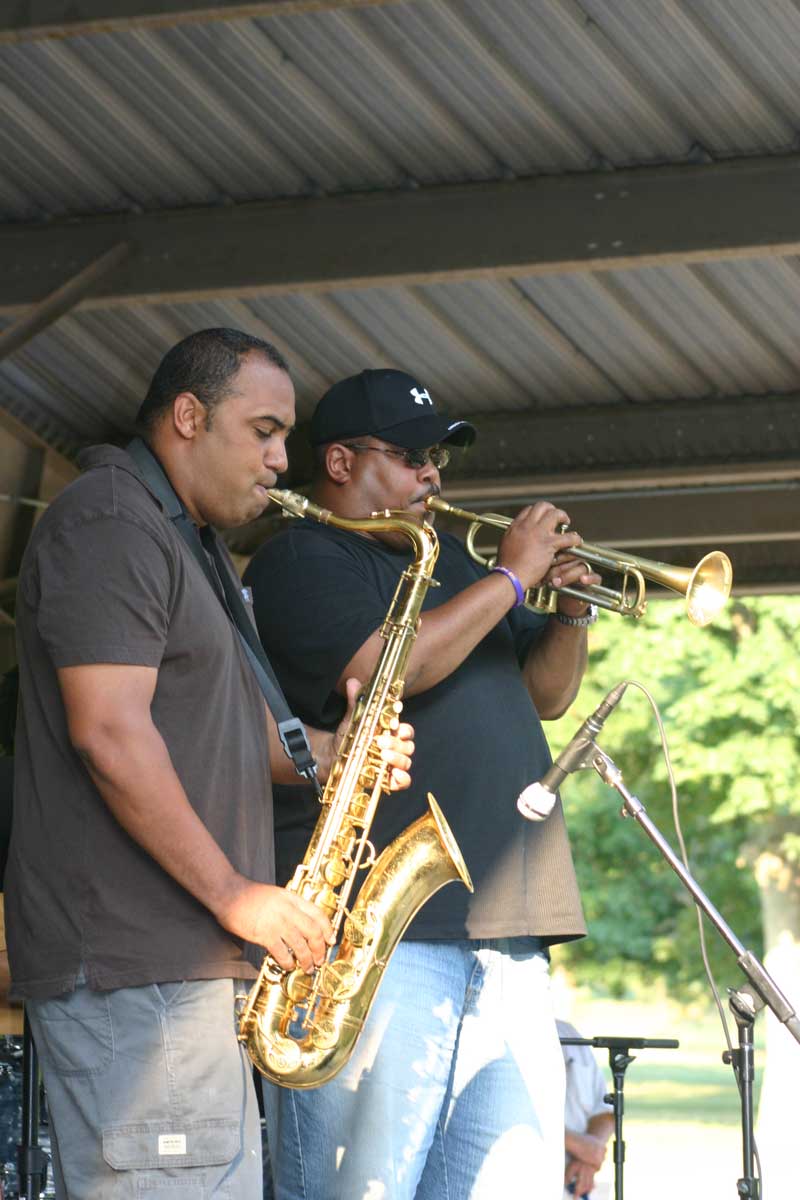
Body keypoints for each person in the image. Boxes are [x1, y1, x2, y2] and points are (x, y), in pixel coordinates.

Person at [4, 330, 413, 1200]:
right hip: (137, 967)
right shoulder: (113, 521)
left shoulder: (185, 541)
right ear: (188, 417)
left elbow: (222, 735)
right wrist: (235, 894)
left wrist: (342, 755)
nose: (279, 460)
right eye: (263, 430)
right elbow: (108, 734)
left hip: (178, 969)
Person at [244, 367, 599, 1200]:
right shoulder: (302, 555)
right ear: (338, 462)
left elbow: (545, 695)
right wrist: (510, 579)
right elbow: (379, 669)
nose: (432, 473)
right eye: (410, 455)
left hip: (509, 925)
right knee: (365, 1185)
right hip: (382, 933)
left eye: (437, 455)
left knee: (504, 1184)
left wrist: (570, 611)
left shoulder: (447, 564)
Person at [557, 1020, 615, 1200]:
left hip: (575, 1185)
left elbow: (604, 1112)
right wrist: (580, 1146)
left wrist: (589, 1154)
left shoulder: (568, 1032)